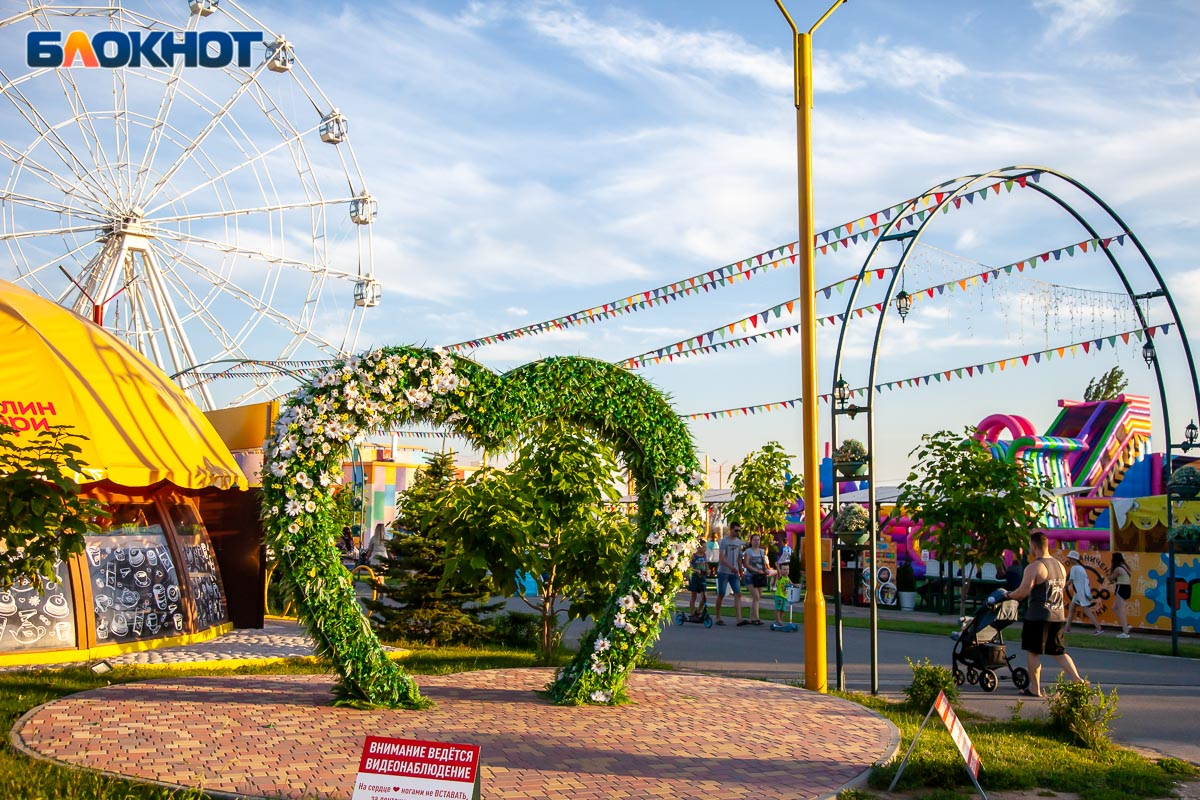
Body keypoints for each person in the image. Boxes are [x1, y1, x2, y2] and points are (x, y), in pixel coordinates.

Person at [1004, 531, 1084, 697]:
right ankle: (1077, 679)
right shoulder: (1060, 566)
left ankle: (1035, 688)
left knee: (1033, 651)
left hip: (1038, 616)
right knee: (1058, 651)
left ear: (1034, 546)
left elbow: (1023, 592)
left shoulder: (1034, 567)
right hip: (1058, 615)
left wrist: (1007, 595)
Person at [1063, 550, 1103, 635]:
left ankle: (1098, 628)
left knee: (1086, 611)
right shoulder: (1081, 568)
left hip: (1079, 593)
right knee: (1072, 608)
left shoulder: (1074, 568)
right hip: (1079, 592)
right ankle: (1067, 627)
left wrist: (1063, 586)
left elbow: (1070, 580)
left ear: (1074, 559)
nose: (1069, 560)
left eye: (1070, 558)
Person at [714, 523, 745, 626]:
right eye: (736, 530)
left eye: (738, 531)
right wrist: (730, 567)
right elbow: (722, 558)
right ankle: (717, 617)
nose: (737, 532)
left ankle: (739, 619)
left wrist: (740, 569)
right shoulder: (724, 542)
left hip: (734, 572)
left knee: (738, 593)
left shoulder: (739, 542)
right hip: (724, 571)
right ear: (731, 530)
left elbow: (739, 557)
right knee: (721, 594)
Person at [742, 533, 772, 626]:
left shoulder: (761, 552)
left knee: (757, 597)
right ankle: (757, 618)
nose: (756, 542)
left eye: (758, 540)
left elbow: (763, 564)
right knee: (756, 597)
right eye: (754, 540)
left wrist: (766, 570)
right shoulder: (748, 551)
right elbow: (746, 564)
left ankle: (752, 618)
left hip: (759, 577)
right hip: (750, 576)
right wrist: (756, 570)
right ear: (751, 541)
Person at [1106, 552, 1134, 638]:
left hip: (1121, 587)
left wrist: (1109, 573)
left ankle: (1125, 632)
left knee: (1121, 610)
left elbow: (1110, 578)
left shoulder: (1117, 568)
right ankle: (1126, 625)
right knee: (1114, 608)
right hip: (1127, 588)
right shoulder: (1125, 566)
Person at [687, 542, 708, 620]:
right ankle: (692, 614)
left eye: (705, 548)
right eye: (703, 547)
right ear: (699, 547)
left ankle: (698, 611)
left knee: (705, 596)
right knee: (694, 596)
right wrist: (696, 570)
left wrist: (708, 570)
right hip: (694, 578)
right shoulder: (693, 556)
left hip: (702, 578)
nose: (705, 549)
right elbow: (689, 567)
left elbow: (706, 564)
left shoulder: (704, 556)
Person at [772, 561, 793, 627]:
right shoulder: (780, 577)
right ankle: (778, 620)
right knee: (778, 608)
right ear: (781, 570)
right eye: (784, 569)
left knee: (783, 609)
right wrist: (777, 567)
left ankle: (779, 620)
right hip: (779, 595)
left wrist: (796, 585)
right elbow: (779, 573)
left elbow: (791, 584)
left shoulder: (788, 578)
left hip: (784, 596)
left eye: (787, 569)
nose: (786, 571)